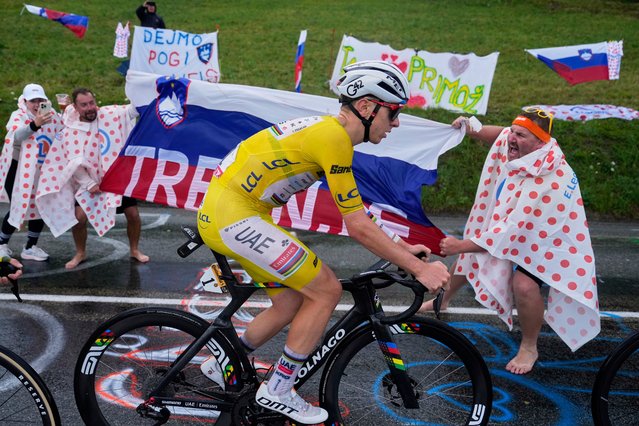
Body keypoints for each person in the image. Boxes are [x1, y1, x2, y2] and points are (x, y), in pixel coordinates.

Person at [196, 60, 450, 423]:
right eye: (393, 112)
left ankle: (219, 363)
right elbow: (357, 226)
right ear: (366, 107)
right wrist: (419, 268)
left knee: (292, 301)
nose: (396, 123)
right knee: (326, 290)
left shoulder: (333, 134)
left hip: (234, 212)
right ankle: (279, 389)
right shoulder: (333, 138)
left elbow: (356, 209)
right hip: (234, 215)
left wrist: (401, 248)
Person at [420, 109, 599, 375]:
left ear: (539, 142)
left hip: (549, 240)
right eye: (513, 132)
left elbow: (509, 234)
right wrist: (470, 127)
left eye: (520, 135)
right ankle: (442, 300)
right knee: (475, 249)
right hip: (515, 226)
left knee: (523, 285)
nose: (511, 139)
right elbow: (499, 135)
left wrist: (460, 245)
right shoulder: (522, 144)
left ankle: (529, 346)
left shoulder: (551, 179)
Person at [35, 88, 149, 269]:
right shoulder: (70, 130)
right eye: (84, 105)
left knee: (133, 214)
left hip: (114, 178)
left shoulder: (109, 114)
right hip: (89, 181)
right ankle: (80, 252)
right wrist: (90, 183)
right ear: (75, 106)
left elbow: (131, 111)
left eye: (91, 103)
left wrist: (141, 88)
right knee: (79, 218)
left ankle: (134, 250)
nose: (90, 108)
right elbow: (73, 163)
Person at [0, 84, 62, 261]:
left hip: (41, 167)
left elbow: (62, 129)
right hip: (17, 167)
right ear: (25, 101)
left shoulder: (50, 114)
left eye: (40, 100)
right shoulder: (18, 115)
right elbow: (16, 136)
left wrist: (68, 114)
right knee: (18, 205)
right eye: (33, 101)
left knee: (41, 204)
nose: (37, 104)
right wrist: (35, 125)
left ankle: (30, 247)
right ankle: (2, 244)